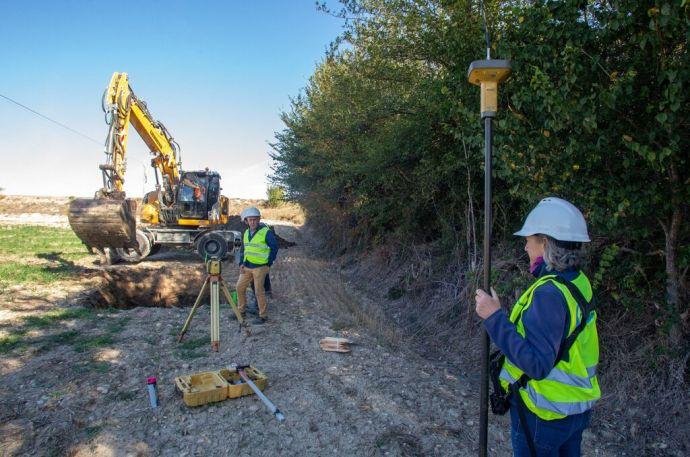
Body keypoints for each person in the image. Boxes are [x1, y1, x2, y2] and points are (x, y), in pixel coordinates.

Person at [474, 197, 600, 456]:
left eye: (529, 240)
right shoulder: (578, 282)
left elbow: (537, 364)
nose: (525, 247)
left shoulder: (549, 294)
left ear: (545, 242)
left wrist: (494, 317)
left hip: (544, 414)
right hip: (572, 411)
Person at [236, 207, 279, 324]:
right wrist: (241, 263)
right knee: (239, 288)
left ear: (259, 219)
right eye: (250, 220)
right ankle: (241, 311)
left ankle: (263, 316)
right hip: (247, 267)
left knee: (258, 292)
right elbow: (244, 249)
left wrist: (269, 263)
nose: (253, 222)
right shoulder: (246, 233)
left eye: (255, 219)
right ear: (246, 221)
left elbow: (274, 247)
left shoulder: (266, 232)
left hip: (260, 267)